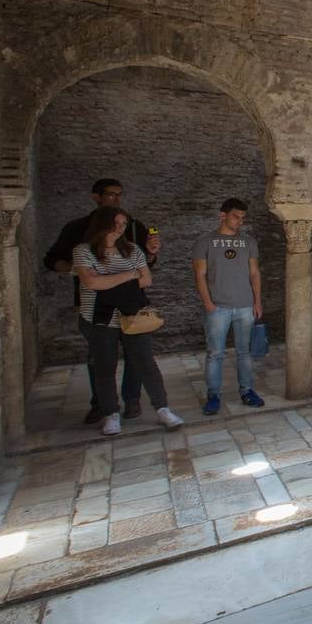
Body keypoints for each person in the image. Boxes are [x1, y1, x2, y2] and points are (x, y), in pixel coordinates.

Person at [44, 178, 161, 424]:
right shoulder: (78, 230)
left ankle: (132, 400)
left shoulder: (133, 228)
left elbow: (145, 269)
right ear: (96, 197)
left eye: (119, 194)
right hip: (96, 308)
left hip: (130, 306)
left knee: (136, 357)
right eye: (110, 194)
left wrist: (150, 255)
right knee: (100, 360)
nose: (116, 199)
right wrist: (79, 270)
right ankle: (103, 405)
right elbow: (53, 260)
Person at [73, 206, 182, 435]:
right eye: (116, 223)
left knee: (146, 363)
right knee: (104, 367)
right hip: (100, 319)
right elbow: (91, 283)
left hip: (133, 315)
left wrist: (107, 279)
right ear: (102, 224)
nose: (120, 228)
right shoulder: (84, 251)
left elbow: (146, 280)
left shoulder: (132, 249)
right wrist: (131, 274)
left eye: (123, 224)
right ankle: (111, 413)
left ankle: (162, 408)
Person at [191, 198, 264, 416]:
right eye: (236, 216)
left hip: (245, 305)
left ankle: (247, 391)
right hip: (218, 308)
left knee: (244, 352)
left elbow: (254, 273)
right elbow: (200, 275)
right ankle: (213, 395)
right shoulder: (205, 242)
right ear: (222, 215)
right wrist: (208, 304)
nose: (240, 221)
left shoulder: (248, 242)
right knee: (215, 353)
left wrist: (257, 301)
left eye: (243, 218)